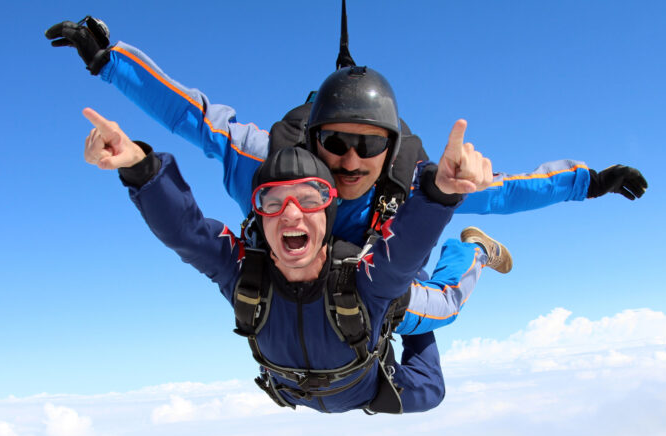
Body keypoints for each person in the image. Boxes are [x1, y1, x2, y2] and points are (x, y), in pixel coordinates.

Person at [45, 17, 648, 336]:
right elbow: (197, 117)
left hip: (379, 286)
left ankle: (473, 258)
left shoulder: (415, 182)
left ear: (392, 149)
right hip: (301, 286)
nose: (352, 162)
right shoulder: (269, 168)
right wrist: (111, 64)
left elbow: (508, 190)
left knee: (438, 308)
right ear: (312, 140)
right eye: (336, 143)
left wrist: (589, 181)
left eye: (370, 147)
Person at [82, 107, 490, 413]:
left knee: (432, 375)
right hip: (304, 391)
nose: (291, 214)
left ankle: (469, 250)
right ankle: (397, 313)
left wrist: (441, 193)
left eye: (310, 199)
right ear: (258, 214)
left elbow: (403, 252)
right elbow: (185, 233)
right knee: (414, 345)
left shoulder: (364, 279)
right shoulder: (245, 275)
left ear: (328, 214)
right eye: (272, 202)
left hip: (365, 386)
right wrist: (140, 168)